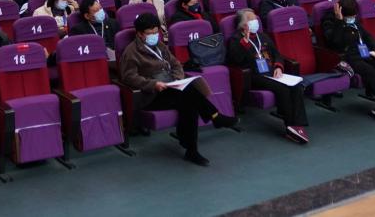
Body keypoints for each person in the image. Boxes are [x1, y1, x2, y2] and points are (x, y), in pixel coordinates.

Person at [119, 12, 238, 166]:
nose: (154, 35)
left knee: (189, 101)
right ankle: (215, 118)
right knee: (189, 95)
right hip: (152, 95)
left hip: (171, 87)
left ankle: (192, 148)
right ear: (140, 34)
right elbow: (129, 77)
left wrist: (177, 78)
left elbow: (175, 64)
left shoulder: (160, 45)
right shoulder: (131, 52)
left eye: (156, 32)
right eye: (150, 33)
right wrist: (153, 84)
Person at [225, 8, 310, 143]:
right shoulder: (236, 39)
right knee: (283, 88)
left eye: (255, 18)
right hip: (253, 76)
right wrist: (245, 43)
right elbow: (235, 61)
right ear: (243, 24)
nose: (255, 21)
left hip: (271, 73)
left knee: (297, 86)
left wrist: (278, 67)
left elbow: (277, 54)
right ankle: (290, 125)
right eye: (251, 19)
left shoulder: (262, 36)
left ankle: (298, 124)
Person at [322, 0, 375, 121]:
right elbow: (335, 43)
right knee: (371, 72)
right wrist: (340, 21)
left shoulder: (353, 18)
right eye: (350, 17)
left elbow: (366, 34)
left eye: (354, 16)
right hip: (346, 57)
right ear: (340, 11)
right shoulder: (329, 21)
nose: (353, 18)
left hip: (363, 53)